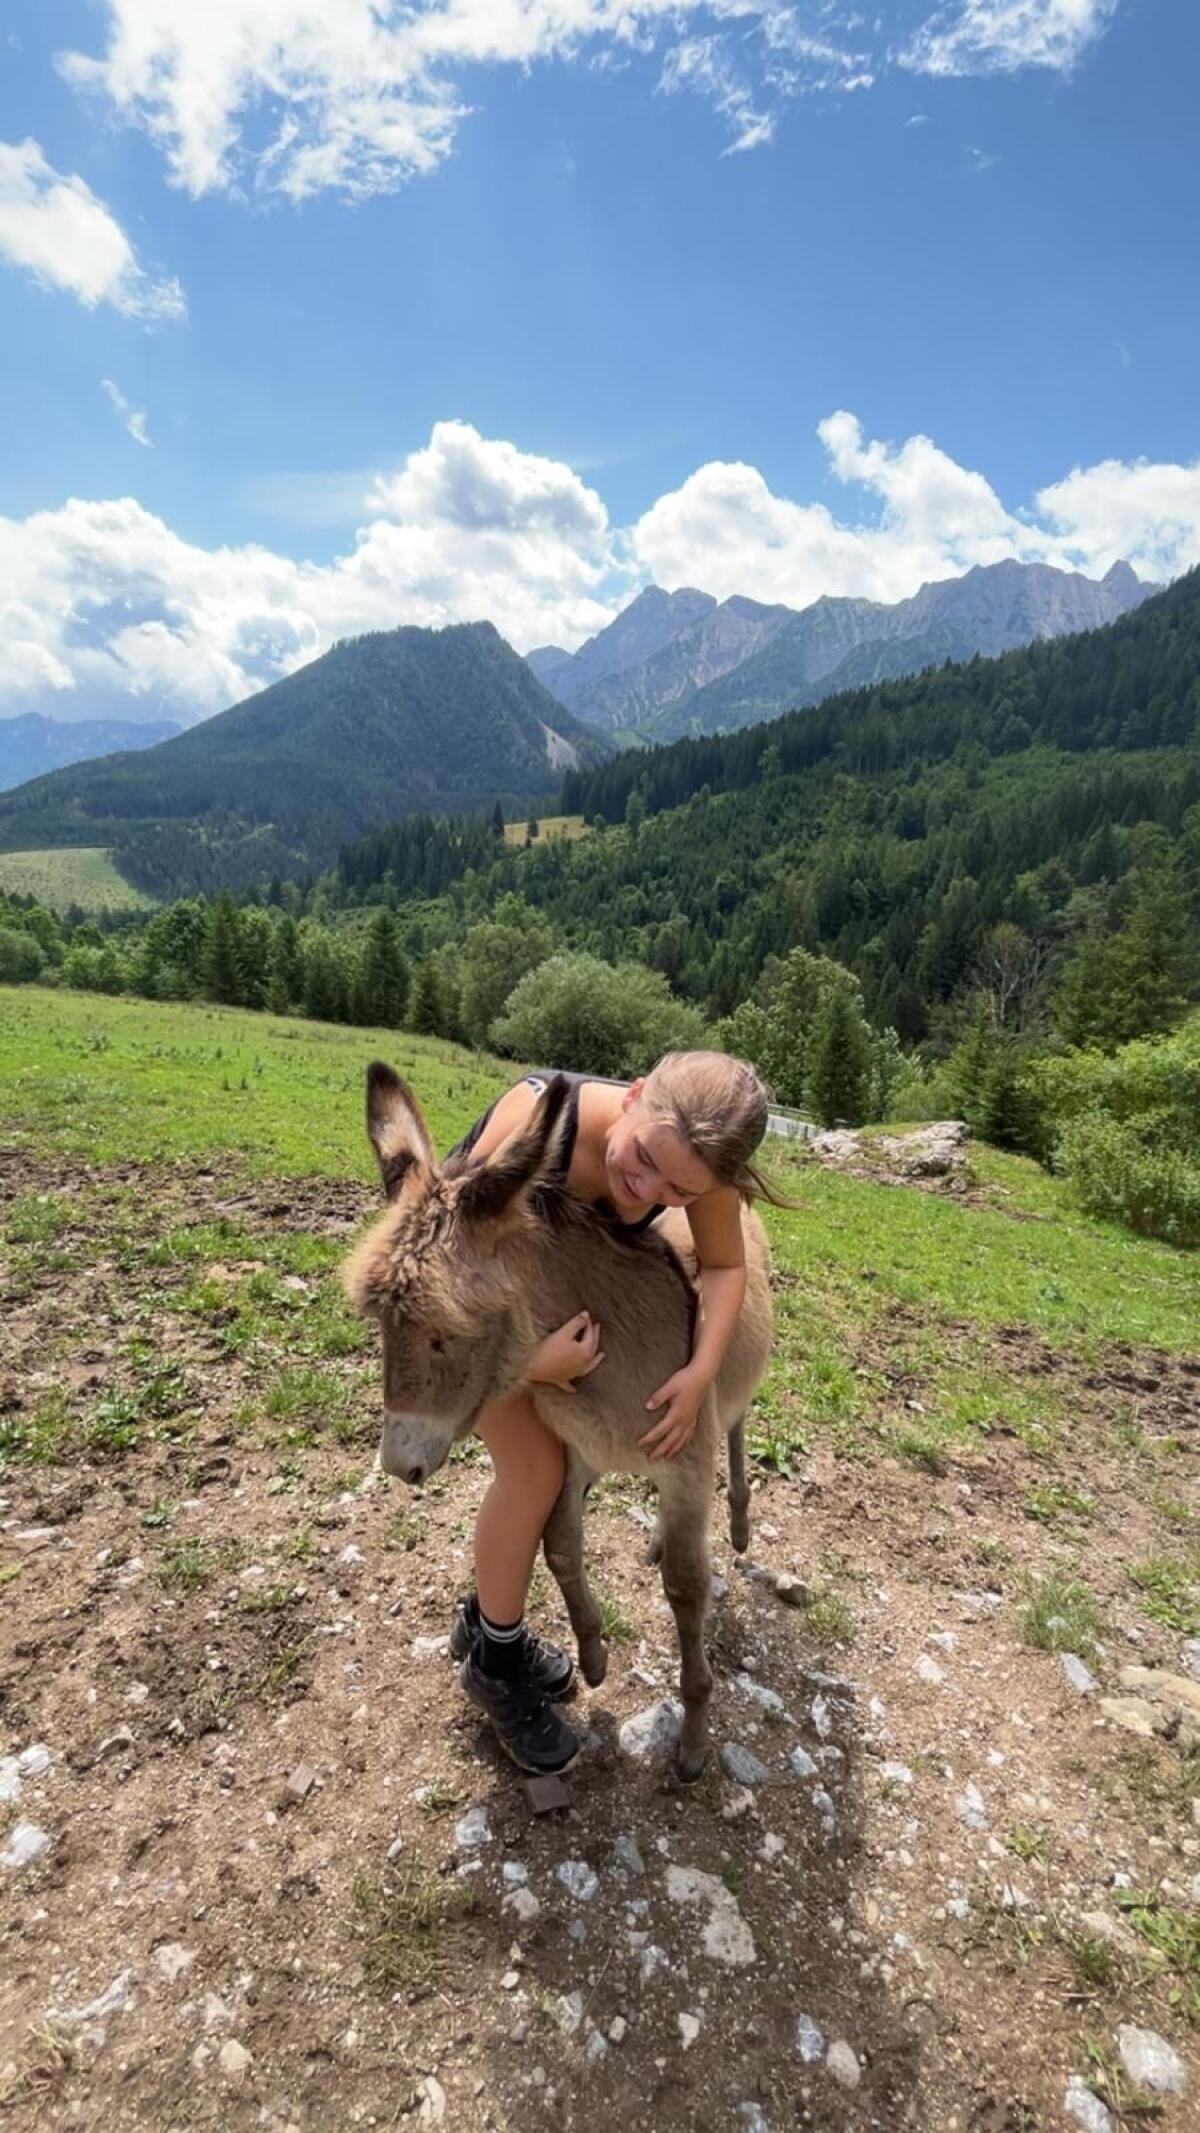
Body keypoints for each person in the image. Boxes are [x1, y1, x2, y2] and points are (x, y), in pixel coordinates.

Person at [444, 1050, 774, 1774]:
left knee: (554, 1465)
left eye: (680, 1190)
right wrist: (534, 1366)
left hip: (557, 1303)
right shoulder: (534, 1131)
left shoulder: (694, 1157)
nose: (650, 1191)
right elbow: (453, 1282)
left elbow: (725, 1266)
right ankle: (496, 1662)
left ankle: (484, 1621)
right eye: (645, 1161)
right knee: (535, 1474)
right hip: (475, 1310)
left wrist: (700, 1373)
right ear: (632, 1096)